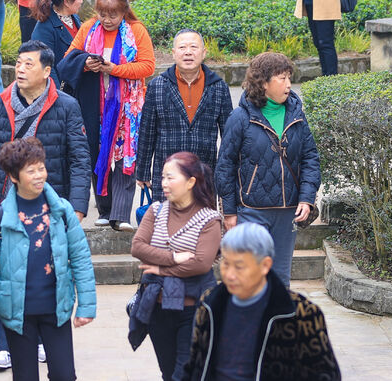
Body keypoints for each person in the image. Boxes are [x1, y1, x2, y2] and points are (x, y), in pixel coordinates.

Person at [0, 138, 96, 381]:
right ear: (13, 176)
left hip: (56, 309)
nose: (39, 175)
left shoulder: (61, 211)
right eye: (30, 171)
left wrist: (86, 305)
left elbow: (81, 258)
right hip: (17, 315)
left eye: (41, 167)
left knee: (64, 375)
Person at [0, 40, 90, 217]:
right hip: (7, 203)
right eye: (18, 63)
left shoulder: (66, 106)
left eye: (29, 65)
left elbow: (79, 159)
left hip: (51, 204)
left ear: (46, 72)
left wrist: (77, 208)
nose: (20, 69)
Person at [181, 223, 341, 381]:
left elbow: (326, 374)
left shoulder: (300, 313)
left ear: (265, 265)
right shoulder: (210, 303)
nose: (229, 274)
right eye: (226, 263)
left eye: (239, 266)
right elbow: (195, 364)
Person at [214, 52, 321, 286]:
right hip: (252, 211)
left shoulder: (297, 115)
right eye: (282, 78)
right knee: (249, 277)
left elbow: (310, 157)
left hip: (288, 211)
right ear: (263, 83)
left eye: (289, 78)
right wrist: (229, 213)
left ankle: (275, 322)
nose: (289, 85)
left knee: (280, 279)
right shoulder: (240, 117)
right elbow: (225, 166)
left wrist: (307, 198)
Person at [58, 0, 155, 231]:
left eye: (113, 15)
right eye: (103, 14)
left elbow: (147, 67)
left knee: (124, 156)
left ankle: (121, 215)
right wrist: (87, 64)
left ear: (124, 12)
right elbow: (68, 59)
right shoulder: (89, 27)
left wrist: (115, 69)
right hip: (93, 104)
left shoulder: (137, 30)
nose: (107, 20)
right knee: (95, 152)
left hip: (127, 108)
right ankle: (104, 209)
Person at [130, 152, 221, 381]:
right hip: (158, 308)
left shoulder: (210, 219)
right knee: (168, 373)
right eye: (163, 177)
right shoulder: (155, 210)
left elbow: (201, 263)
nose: (164, 184)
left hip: (194, 310)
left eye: (171, 178)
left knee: (186, 374)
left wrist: (160, 268)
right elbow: (138, 247)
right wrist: (174, 257)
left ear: (191, 182)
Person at [136, 30, 232, 202]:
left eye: (194, 47)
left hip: (204, 174)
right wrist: (142, 171)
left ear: (203, 53)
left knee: (203, 226)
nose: (188, 52)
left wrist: (227, 175)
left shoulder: (218, 87)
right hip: (167, 175)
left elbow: (228, 135)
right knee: (167, 225)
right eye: (182, 47)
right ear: (174, 53)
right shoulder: (158, 86)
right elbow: (147, 132)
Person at [30, 0, 83, 94]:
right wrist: (58, 96)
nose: (81, 2)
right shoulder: (44, 28)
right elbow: (46, 66)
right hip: (60, 91)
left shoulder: (74, 18)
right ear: (67, 2)